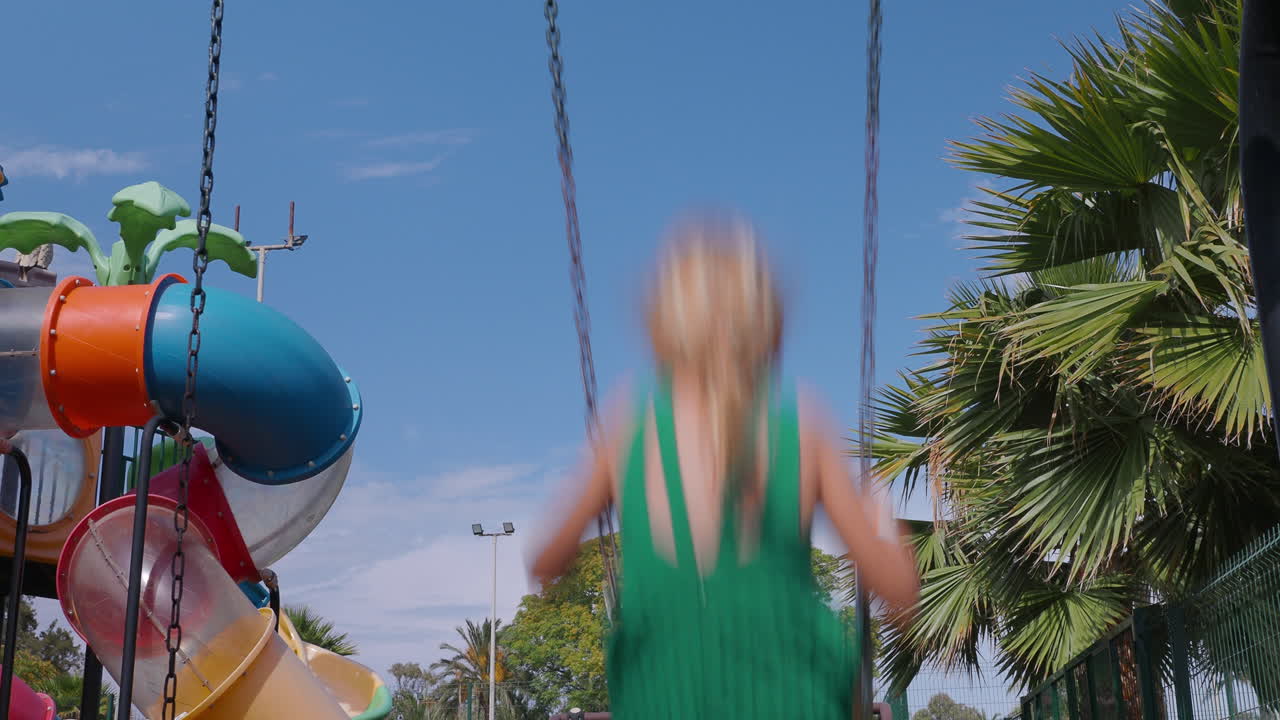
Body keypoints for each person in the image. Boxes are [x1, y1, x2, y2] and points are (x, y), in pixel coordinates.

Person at [530, 214, 920, 719]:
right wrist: (885, 522)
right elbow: (899, 596)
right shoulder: (799, 423)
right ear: (770, 324)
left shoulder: (630, 423)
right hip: (795, 698)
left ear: (660, 325)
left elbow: (545, 563)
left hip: (663, 697)